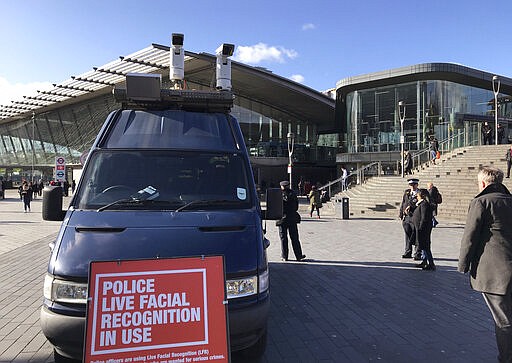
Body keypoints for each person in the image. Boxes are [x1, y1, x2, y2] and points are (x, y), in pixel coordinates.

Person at [458, 167, 512, 362]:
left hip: (495, 273)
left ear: (482, 183)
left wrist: (463, 265)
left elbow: (470, 237)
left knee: (503, 320)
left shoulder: (481, 202)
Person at [276, 180, 306, 262]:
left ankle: (284, 256)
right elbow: (296, 207)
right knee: (295, 238)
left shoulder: (278, 194)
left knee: (283, 238)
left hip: (281, 219)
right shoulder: (293, 194)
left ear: (281, 186)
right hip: (292, 218)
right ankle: (299, 256)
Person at [412, 188, 435, 270]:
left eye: (417, 195)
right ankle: (424, 261)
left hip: (423, 229)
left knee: (425, 246)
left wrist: (421, 228)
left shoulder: (424, 204)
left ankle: (431, 264)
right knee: (423, 245)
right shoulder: (421, 204)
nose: (417, 197)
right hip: (421, 228)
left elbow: (424, 218)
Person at [399, 178, 422, 260]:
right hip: (407, 217)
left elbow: (420, 205)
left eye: (413, 185)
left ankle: (417, 253)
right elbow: (403, 203)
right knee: (407, 234)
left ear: (417, 185)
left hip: (415, 217)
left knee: (416, 235)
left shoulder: (420, 193)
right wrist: (401, 213)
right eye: (410, 185)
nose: (412, 186)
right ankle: (408, 251)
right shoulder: (407, 192)